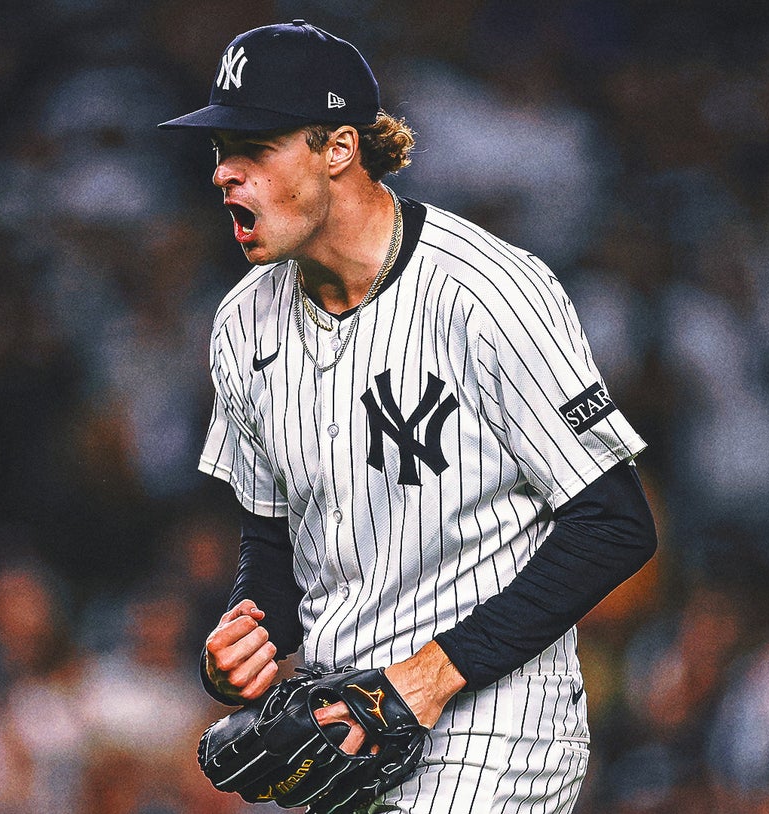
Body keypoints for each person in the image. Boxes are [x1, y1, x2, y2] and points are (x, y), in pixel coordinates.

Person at [159, 20, 658, 813]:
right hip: (347, 728)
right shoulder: (243, 322)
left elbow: (614, 523)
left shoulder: (489, 293)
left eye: (254, 148)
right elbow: (274, 537)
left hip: (496, 728)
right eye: (222, 150)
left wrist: (427, 678)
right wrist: (251, 634)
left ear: (338, 149)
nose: (224, 172)